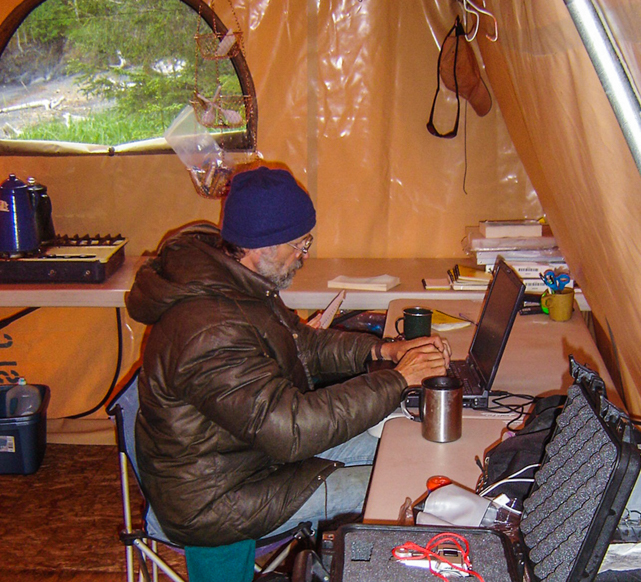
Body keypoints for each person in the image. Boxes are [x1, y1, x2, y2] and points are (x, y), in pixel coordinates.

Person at [126, 166, 451, 547]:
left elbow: (303, 344)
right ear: (260, 246)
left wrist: (383, 350)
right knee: (403, 486)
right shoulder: (210, 331)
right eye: (298, 245)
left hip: (250, 455)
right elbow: (291, 430)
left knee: (408, 449)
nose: (303, 257)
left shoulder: (236, 281)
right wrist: (398, 378)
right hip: (217, 497)